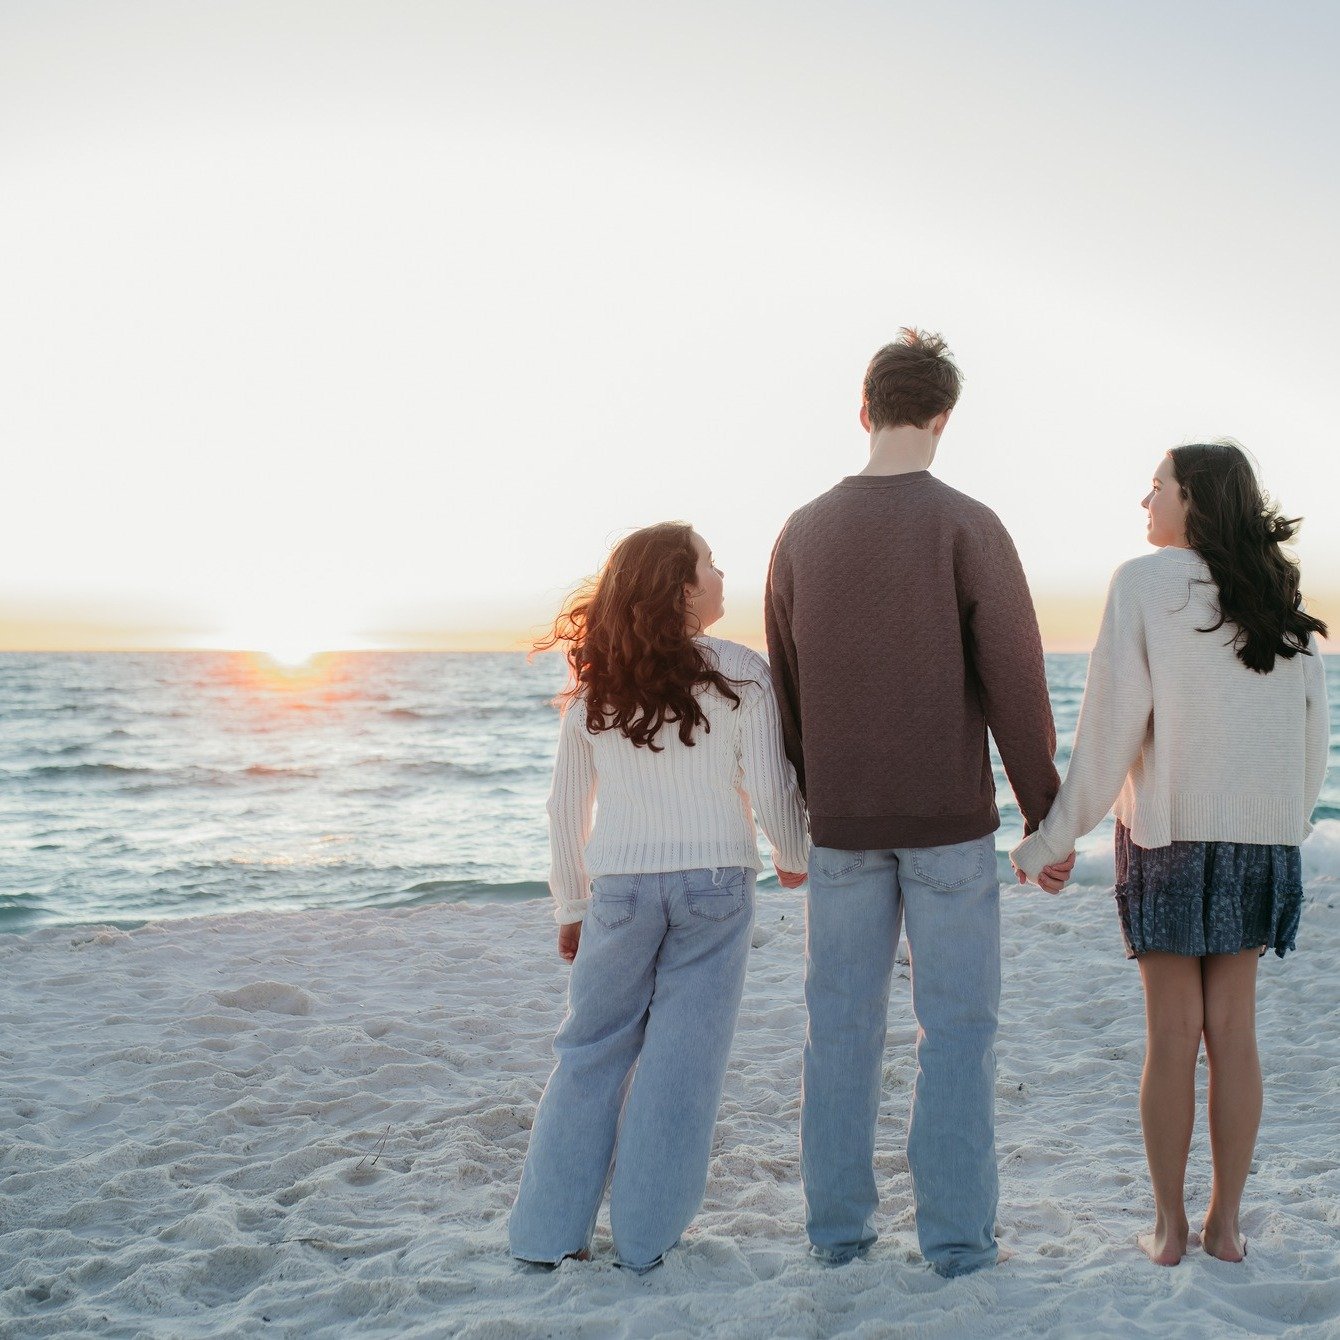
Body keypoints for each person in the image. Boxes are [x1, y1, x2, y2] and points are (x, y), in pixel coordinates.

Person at [764, 329, 1067, 1277]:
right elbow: (1016, 681)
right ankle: (957, 1245)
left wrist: (805, 809)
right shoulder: (969, 524)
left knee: (840, 1032)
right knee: (958, 1034)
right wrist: (1044, 814)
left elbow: (787, 685)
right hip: (948, 830)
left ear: (864, 410)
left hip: (845, 829)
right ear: (943, 419)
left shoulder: (801, 530)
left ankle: (838, 1237)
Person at [1011, 441, 1329, 1267]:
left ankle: (1169, 1230)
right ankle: (1225, 1226)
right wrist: (1279, 830)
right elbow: (1311, 746)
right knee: (1236, 1033)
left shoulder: (1143, 585)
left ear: (1193, 498)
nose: (1143, 500)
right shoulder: (1282, 606)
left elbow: (1110, 732)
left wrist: (1050, 841)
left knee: (1171, 1036)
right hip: (1260, 844)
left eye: (1156, 487)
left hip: (1169, 839)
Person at [509, 521, 810, 1272]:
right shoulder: (742, 673)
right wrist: (794, 856)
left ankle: (544, 1236)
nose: (720, 573)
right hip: (715, 888)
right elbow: (774, 788)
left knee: (588, 1054)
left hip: (618, 891)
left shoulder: (597, 687)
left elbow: (564, 808)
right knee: (683, 1061)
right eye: (708, 564)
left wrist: (571, 906)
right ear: (680, 587)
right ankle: (643, 1241)